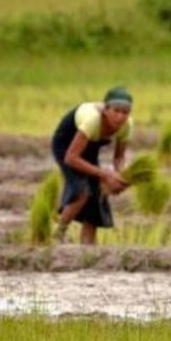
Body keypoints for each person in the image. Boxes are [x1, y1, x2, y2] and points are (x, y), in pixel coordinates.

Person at [49, 86, 134, 245]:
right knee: (82, 192)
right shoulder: (92, 120)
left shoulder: (127, 126)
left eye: (125, 113)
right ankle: (57, 234)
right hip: (66, 147)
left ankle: (88, 247)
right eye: (116, 111)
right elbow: (71, 158)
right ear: (106, 110)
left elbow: (119, 158)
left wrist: (122, 177)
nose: (120, 117)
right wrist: (105, 175)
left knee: (97, 196)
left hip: (89, 147)